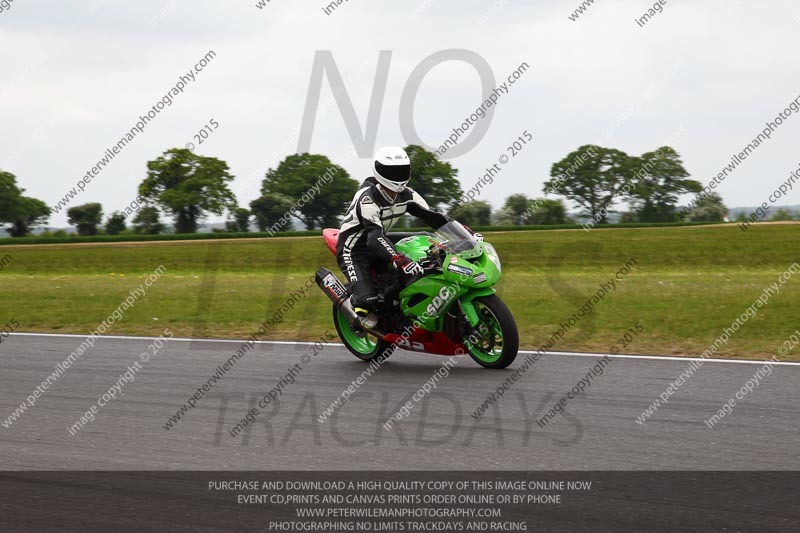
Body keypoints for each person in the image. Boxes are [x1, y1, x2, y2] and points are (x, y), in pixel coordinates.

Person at [336, 146, 450, 323]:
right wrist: (400, 260)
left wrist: (466, 235)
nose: (398, 176)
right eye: (393, 172)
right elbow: (374, 238)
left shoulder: (408, 194)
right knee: (368, 301)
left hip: (381, 238)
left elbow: (434, 217)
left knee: (427, 240)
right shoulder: (367, 199)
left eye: (402, 170)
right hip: (354, 249)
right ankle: (352, 300)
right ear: (380, 171)